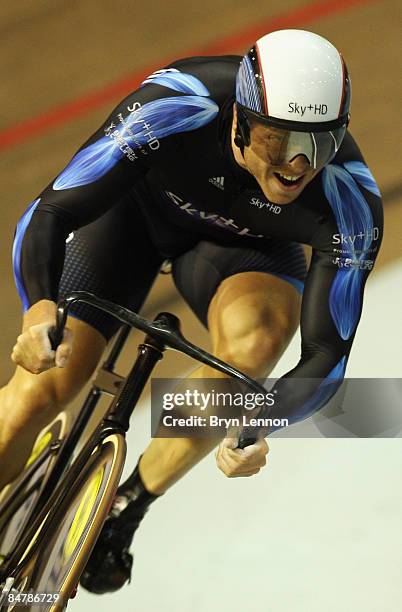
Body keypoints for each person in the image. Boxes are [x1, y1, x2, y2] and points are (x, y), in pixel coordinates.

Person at [0, 29, 383, 592]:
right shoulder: (180, 103)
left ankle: (127, 504)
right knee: (45, 386)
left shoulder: (349, 200)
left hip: (240, 248)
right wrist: (39, 307)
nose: (297, 167)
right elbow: (52, 210)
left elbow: (325, 358)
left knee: (253, 350)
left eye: (320, 145)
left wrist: (258, 423)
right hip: (130, 217)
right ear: (240, 120)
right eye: (279, 142)